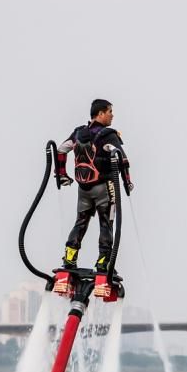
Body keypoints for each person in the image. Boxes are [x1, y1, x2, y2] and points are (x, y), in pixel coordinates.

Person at [56, 98, 133, 273]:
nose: (112, 116)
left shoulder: (78, 133)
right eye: (110, 112)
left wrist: (61, 175)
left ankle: (69, 258)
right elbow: (123, 159)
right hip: (104, 188)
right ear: (100, 114)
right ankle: (103, 262)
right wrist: (127, 182)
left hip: (83, 189)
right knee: (106, 224)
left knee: (80, 223)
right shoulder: (108, 134)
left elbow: (61, 149)